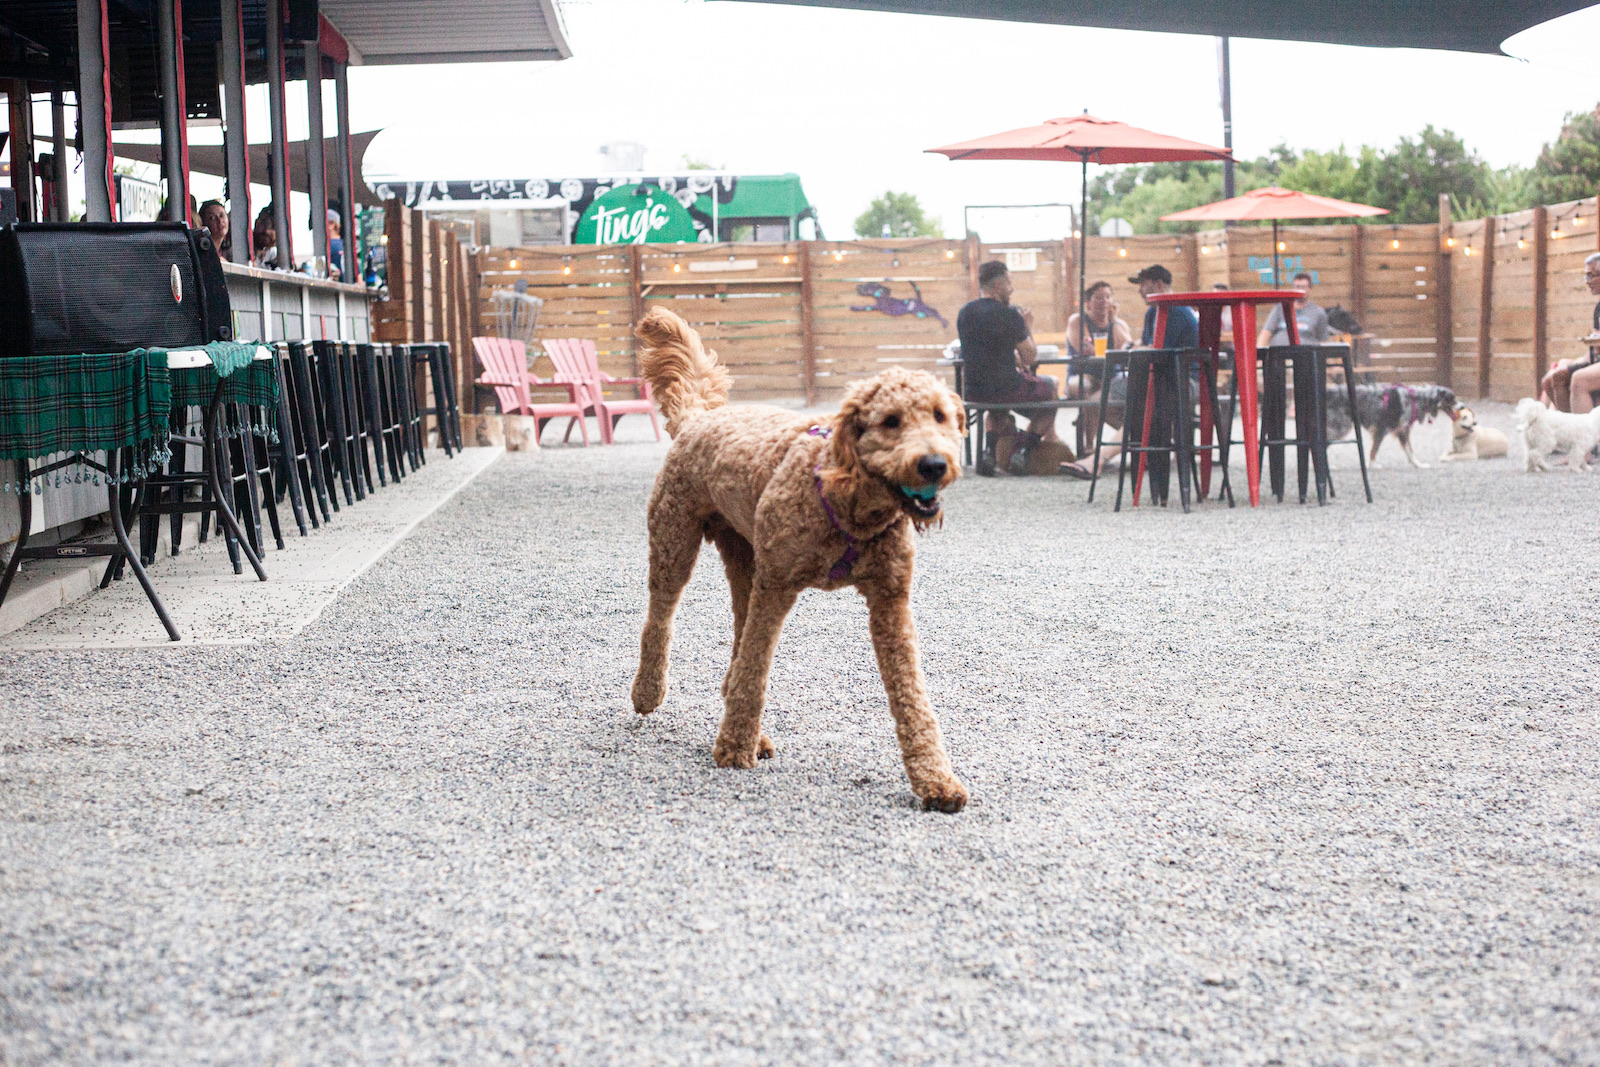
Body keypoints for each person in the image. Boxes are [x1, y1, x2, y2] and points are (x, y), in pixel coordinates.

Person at [1060, 265, 1200, 479]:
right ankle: (1149, 441)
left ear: (1158, 284)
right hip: (1159, 379)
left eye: (1143, 285)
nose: (1139, 291)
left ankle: (1098, 459)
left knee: (1140, 411)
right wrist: (1133, 347)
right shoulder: (1155, 310)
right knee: (1100, 401)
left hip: (1181, 381)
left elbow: (1158, 350)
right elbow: (1143, 343)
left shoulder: (1175, 309)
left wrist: (1133, 347)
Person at [956, 260, 1063, 476]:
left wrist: (1009, 356)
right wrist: (1027, 325)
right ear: (998, 287)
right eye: (1009, 284)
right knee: (1050, 394)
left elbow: (986, 350)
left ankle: (988, 452)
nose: (1012, 290)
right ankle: (1023, 451)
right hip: (1007, 387)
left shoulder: (965, 313)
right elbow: (1030, 357)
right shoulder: (1009, 314)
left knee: (997, 407)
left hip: (973, 390)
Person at [1539, 251, 1600, 412]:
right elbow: (1595, 347)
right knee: (1551, 378)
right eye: (1585, 276)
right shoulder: (1598, 308)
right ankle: (1564, 429)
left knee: (1579, 380)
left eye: (1591, 276)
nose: (1587, 282)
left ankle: (1584, 435)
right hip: (1597, 360)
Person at [1257, 271, 1331, 348]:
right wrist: (1260, 354)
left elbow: (1324, 341)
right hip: (1279, 354)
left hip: (1305, 356)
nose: (1300, 290)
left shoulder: (1318, 312)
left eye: (1303, 287)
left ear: (1310, 289)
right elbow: (1266, 333)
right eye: (1297, 287)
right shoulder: (1280, 308)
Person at [252, 205, 279, 269]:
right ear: (256, 223)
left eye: (272, 226)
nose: (267, 231)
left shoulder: (274, 254)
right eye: (263, 223)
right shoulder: (241, 249)